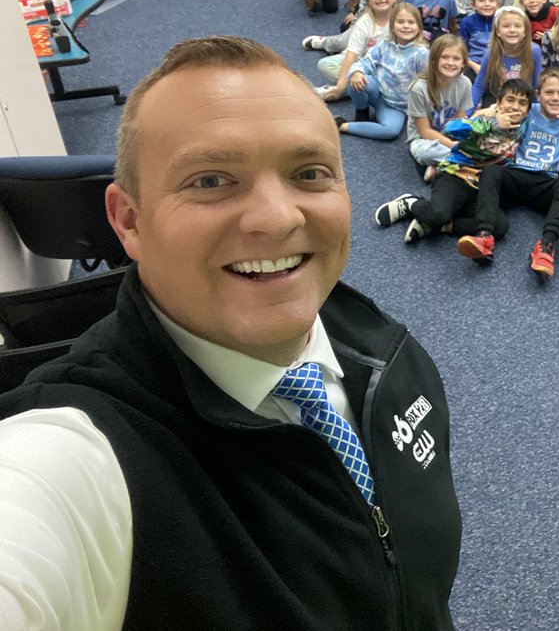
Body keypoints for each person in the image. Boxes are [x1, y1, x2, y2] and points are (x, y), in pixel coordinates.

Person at [0, 36, 461, 628]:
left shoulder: (382, 348)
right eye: (211, 180)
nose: (277, 217)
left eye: (309, 172)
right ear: (129, 221)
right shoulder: (81, 457)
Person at [456, 69, 559, 275]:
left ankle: (546, 245)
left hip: (545, 182)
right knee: (492, 172)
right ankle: (484, 235)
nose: (555, 98)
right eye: (549, 92)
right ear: (538, 94)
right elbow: (498, 110)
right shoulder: (529, 110)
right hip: (516, 174)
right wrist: (489, 113)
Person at [376, 79, 532, 244]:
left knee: (499, 227)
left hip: (483, 187)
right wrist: (491, 122)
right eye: (510, 100)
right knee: (438, 214)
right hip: (456, 174)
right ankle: (411, 203)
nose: (515, 107)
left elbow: (548, 109)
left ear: (528, 111)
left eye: (522, 103)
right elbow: (451, 129)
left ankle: (438, 226)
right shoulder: (485, 120)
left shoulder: (525, 125)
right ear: (499, 103)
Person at [337, 2, 429, 141]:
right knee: (354, 78)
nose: (406, 26)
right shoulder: (384, 44)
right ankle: (362, 109)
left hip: (401, 106)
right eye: (400, 22)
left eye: (411, 22)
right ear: (392, 25)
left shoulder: (421, 53)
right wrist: (356, 72)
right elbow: (364, 63)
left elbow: (427, 83)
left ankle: (343, 126)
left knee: (390, 131)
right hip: (379, 94)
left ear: (419, 28)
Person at [407, 35, 473, 179]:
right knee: (424, 152)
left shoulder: (465, 83)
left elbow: (460, 121)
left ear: (463, 63)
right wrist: (453, 146)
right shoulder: (418, 88)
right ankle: (466, 164)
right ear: (434, 60)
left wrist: (463, 142)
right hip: (423, 140)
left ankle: (443, 166)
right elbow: (424, 131)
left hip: (449, 136)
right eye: (444, 57)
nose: (450, 63)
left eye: (456, 58)